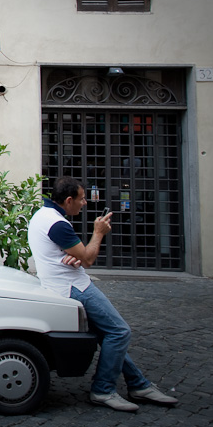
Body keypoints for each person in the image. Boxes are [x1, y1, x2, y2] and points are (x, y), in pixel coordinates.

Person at [28, 176, 179, 412]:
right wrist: (98, 233)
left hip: (61, 282)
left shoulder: (42, 215)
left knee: (108, 334)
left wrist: (71, 255)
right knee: (120, 332)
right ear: (68, 200)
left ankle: (138, 384)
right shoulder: (58, 224)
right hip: (75, 287)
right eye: (82, 198)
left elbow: (68, 253)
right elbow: (88, 259)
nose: (85, 203)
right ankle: (103, 389)